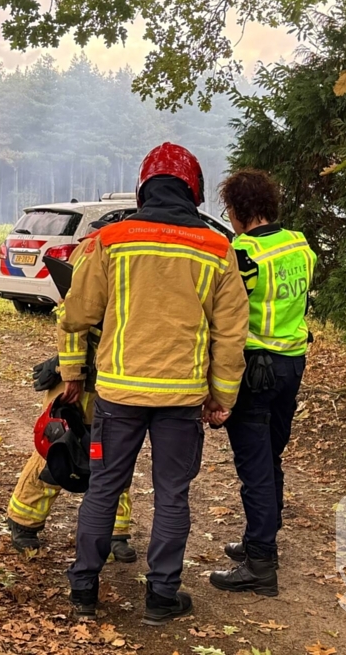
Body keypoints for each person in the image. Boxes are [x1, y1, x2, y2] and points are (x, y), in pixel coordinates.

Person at [60, 142, 249, 625]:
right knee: (172, 496)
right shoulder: (217, 247)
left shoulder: (112, 239)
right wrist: (222, 396)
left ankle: (84, 588)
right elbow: (231, 334)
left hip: (119, 395)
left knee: (104, 489)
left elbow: (78, 314)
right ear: (194, 191)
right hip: (182, 398)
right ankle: (162, 596)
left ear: (144, 187)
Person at [208, 169, 317, 597]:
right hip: (292, 363)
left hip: (255, 367)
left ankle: (260, 564)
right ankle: (262, 538)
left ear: (240, 210)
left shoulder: (243, 253)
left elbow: (226, 313)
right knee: (270, 455)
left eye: (230, 210)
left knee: (253, 466)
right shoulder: (300, 244)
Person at [7, 221, 136, 563]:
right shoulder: (95, 251)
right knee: (59, 447)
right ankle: (24, 521)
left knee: (116, 453)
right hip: (81, 378)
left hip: (117, 376)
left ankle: (117, 531)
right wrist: (72, 373)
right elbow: (73, 318)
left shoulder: (139, 255)